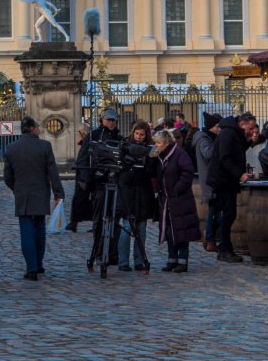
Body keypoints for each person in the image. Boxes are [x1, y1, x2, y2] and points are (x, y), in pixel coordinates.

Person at [3, 116, 64, 280]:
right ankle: (38, 264)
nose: (39, 128)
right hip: (40, 193)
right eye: (37, 126)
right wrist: (58, 193)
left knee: (26, 232)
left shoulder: (11, 148)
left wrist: (17, 189)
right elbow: (53, 172)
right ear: (31, 128)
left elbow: (7, 176)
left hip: (22, 194)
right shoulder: (44, 146)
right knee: (39, 230)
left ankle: (31, 268)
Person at [74, 108, 123, 262]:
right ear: (102, 120)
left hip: (116, 183)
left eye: (113, 120)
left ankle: (113, 253)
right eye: (108, 120)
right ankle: (99, 252)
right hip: (99, 183)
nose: (111, 122)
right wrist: (86, 180)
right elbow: (82, 158)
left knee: (115, 220)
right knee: (100, 220)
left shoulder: (120, 138)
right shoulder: (94, 135)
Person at [207, 112, 255, 263]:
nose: (251, 130)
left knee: (228, 215)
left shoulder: (233, 132)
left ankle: (225, 248)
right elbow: (225, 158)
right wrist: (239, 174)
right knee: (228, 215)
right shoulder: (228, 133)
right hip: (223, 181)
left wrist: (248, 142)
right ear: (242, 124)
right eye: (250, 127)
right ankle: (224, 249)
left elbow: (236, 151)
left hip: (227, 180)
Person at [154, 128, 201, 272]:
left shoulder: (179, 154)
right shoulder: (161, 156)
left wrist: (176, 189)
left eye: (158, 143)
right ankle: (172, 259)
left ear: (165, 143)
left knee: (181, 230)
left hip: (180, 199)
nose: (156, 146)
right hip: (167, 200)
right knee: (169, 230)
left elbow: (187, 173)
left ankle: (182, 261)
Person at [116, 120, 158, 272]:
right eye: (137, 134)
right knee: (127, 227)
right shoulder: (125, 146)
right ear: (133, 133)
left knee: (142, 228)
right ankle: (123, 262)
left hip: (144, 191)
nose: (139, 137)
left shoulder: (150, 149)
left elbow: (152, 171)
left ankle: (139, 261)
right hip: (128, 192)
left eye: (142, 134)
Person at [194, 114, 220, 253]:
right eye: (217, 126)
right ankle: (209, 238)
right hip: (209, 180)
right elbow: (208, 154)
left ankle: (209, 237)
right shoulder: (204, 139)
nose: (218, 129)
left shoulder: (209, 138)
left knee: (216, 211)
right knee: (214, 212)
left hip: (212, 179)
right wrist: (219, 145)